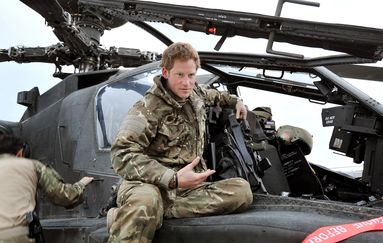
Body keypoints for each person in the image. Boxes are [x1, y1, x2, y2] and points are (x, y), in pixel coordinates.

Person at [108, 42, 253, 242]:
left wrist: (236, 101)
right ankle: (145, 211)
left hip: (189, 189)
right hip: (150, 184)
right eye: (180, 75)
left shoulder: (196, 94)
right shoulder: (146, 109)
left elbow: (215, 96)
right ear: (166, 72)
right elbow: (121, 154)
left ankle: (158, 212)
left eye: (191, 75)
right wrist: (172, 178)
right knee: (146, 201)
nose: (186, 83)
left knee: (242, 191)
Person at [0, 134, 94, 243]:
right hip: (15, 237)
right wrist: (81, 184)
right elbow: (63, 196)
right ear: (20, 153)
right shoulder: (31, 166)